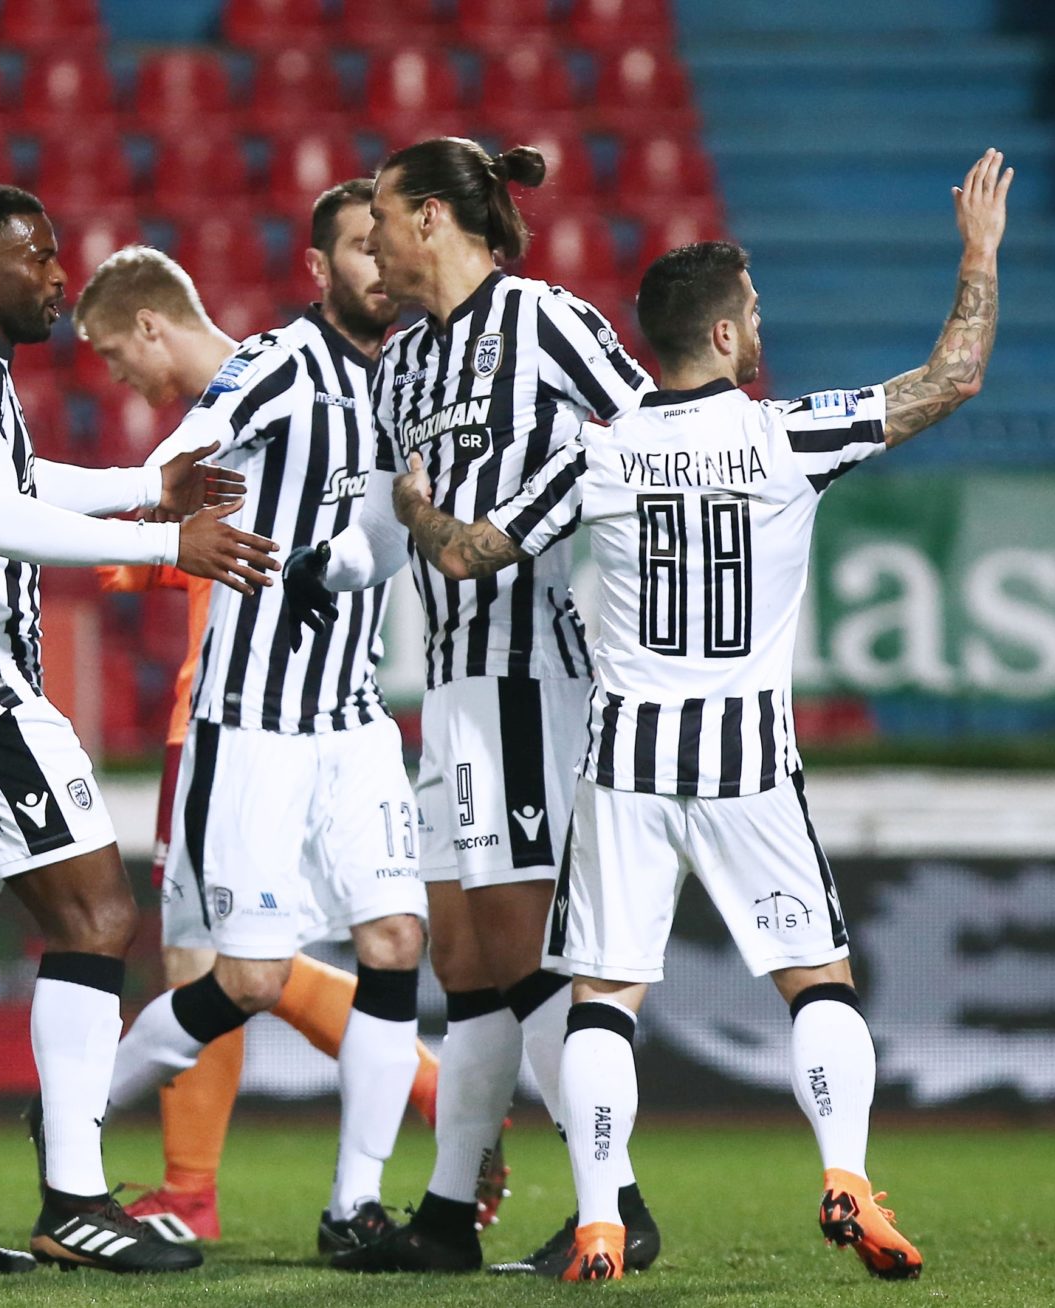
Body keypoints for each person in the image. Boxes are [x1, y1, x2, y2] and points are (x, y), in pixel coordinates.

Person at [387, 149, 1009, 1282]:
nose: (760, 324)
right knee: (815, 977)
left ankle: (599, 1219)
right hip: (747, 761)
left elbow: (474, 554)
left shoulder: (598, 452)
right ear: (724, 335)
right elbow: (951, 377)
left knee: (601, 1000)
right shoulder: (786, 436)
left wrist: (420, 510)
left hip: (623, 759)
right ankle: (844, 1172)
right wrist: (979, 253)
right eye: (753, 311)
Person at [0, 183, 276, 1275]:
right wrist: (166, 543)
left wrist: (141, 485)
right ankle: (76, 1199)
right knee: (97, 916)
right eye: (38, 256)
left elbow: (13, 479)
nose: (56, 275)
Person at [284, 136, 661, 1276]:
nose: (371, 252)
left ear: (434, 219)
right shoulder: (400, 363)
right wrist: (317, 568)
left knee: (520, 942)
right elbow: (385, 527)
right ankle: (449, 1216)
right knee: (461, 954)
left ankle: (614, 1205)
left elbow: (654, 439)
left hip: (530, 675)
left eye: (379, 227)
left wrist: (554, 531)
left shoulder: (546, 320)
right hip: (450, 686)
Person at [76, 183, 446, 1251]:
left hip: (354, 717)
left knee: (396, 938)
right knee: (242, 978)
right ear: (320, 270)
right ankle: (74, 1124)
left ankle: (352, 1208)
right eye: (359, 249)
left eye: (389, 245)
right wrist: (160, 497)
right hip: (250, 720)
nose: (381, 265)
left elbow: (386, 530)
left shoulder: (411, 378)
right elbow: (194, 441)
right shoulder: (278, 360)